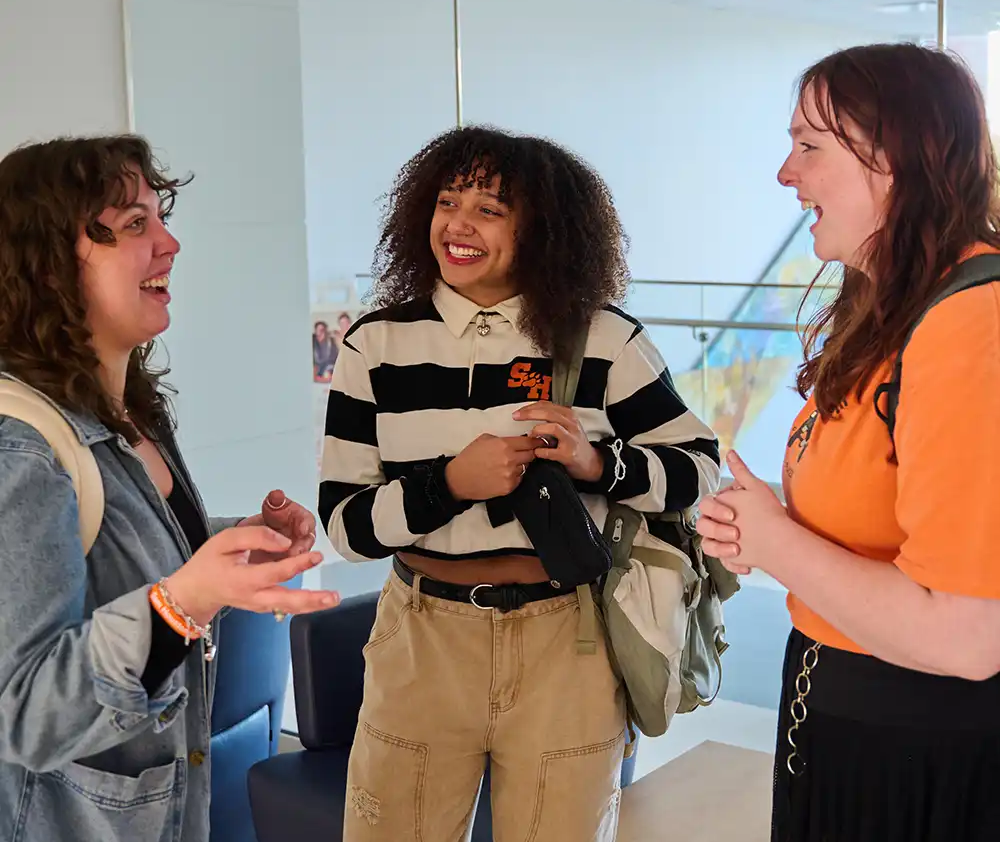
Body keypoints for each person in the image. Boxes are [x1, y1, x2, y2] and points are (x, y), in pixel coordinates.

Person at [320, 126, 720, 840]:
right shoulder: (375, 345)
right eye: (448, 202)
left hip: (566, 639)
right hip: (422, 636)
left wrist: (599, 464)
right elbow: (347, 527)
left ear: (542, 229)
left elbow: (698, 471)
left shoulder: (604, 340)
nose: (458, 226)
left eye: (489, 209)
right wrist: (450, 483)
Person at [696, 44, 1000, 842]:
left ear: (893, 157)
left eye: (809, 146)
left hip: (923, 755)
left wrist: (778, 544)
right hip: (843, 722)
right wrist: (770, 533)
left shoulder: (971, 324)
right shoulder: (894, 307)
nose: (785, 175)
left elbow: (968, 638)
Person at [0, 136, 339, 842]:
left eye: (159, 217)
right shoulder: (21, 450)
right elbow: (25, 715)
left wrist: (230, 546)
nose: (170, 243)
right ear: (49, 265)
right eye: (133, 226)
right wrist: (183, 601)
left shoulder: (128, 412)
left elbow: (111, 561)